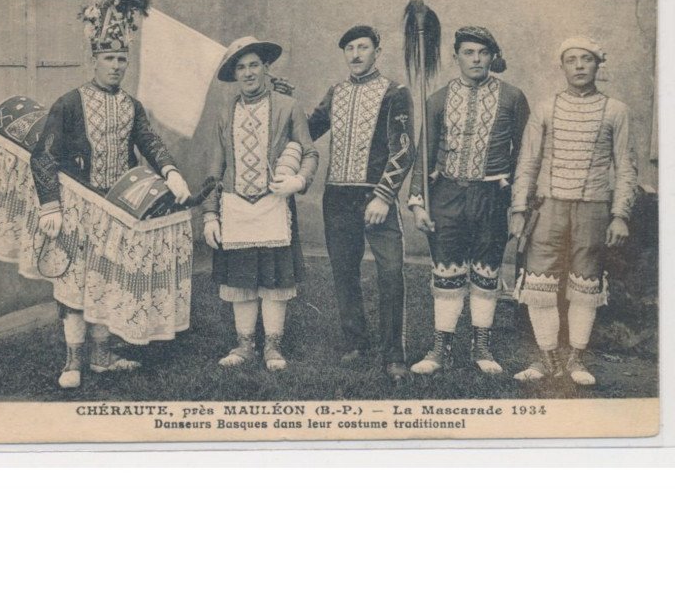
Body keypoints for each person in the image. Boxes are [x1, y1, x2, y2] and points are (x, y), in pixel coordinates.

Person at [30, 0, 191, 389]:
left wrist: (170, 171)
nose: (117, 66)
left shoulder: (131, 106)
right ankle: (72, 361)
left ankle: (102, 357)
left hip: (118, 207)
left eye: (122, 59)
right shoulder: (69, 103)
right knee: (74, 284)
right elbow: (43, 155)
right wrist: (50, 205)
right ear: (94, 60)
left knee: (106, 282)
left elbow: (150, 142)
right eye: (109, 58)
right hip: (79, 207)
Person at [511, 37, 637, 385]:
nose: (579, 66)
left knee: (585, 280)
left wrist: (620, 215)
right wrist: (519, 208)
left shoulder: (616, 110)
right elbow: (528, 161)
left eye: (587, 59)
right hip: (548, 206)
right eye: (571, 60)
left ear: (598, 65)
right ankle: (546, 357)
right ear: (562, 66)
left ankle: (576, 359)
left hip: (594, 208)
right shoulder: (546, 107)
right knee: (539, 281)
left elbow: (626, 167)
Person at [408, 26, 530, 376]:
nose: (476, 59)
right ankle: (440, 347)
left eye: (482, 53)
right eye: (468, 52)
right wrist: (419, 203)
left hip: (492, 196)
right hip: (447, 195)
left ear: (492, 56)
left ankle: (482, 345)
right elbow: (424, 154)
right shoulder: (438, 99)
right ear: (456, 56)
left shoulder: (512, 97)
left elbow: (526, 156)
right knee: (446, 270)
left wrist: (520, 206)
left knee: (486, 271)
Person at [203, 36, 319, 371]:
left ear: (266, 68)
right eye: (241, 67)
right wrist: (210, 213)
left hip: (274, 204)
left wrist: (298, 180)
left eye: (254, 64)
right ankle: (244, 345)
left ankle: (272, 346)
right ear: (234, 74)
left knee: (275, 277)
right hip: (235, 205)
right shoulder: (225, 112)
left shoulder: (287, 106)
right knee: (240, 277)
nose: (248, 72)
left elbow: (309, 152)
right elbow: (215, 167)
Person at [308, 25, 415, 380]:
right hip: (337, 196)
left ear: (376, 51)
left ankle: (394, 354)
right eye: (349, 48)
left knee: (389, 273)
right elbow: (308, 130)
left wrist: (384, 195)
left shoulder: (395, 93)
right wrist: (284, 105)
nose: (355, 54)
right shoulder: (335, 93)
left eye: (363, 47)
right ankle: (356, 342)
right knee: (344, 272)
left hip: (375, 195)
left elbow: (403, 149)